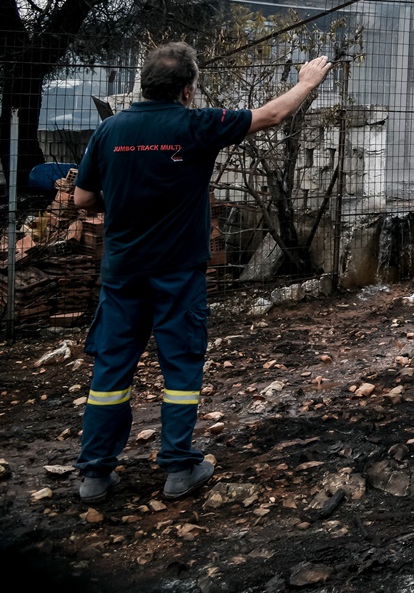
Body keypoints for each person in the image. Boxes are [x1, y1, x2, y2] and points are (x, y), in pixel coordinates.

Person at [72, 43, 333, 504]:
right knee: (180, 366)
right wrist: (307, 83)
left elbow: (82, 200)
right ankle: (178, 467)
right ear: (188, 89)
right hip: (177, 273)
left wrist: (127, 197)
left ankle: (94, 474)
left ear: (146, 83)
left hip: (123, 272)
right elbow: (271, 116)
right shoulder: (195, 125)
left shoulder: (110, 130)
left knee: (111, 368)